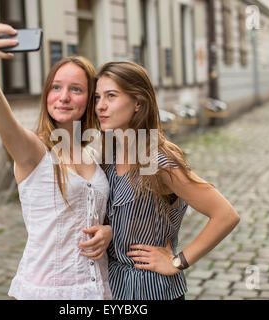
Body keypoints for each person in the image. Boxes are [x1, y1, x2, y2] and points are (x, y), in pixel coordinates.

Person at [0, 23, 113, 300]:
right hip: (46, 290)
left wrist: (108, 231)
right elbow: (3, 120)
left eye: (76, 89)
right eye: (56, 87)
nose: (63, 97)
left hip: (96, 289)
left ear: (89, 99)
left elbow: (95, 215)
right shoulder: (33, 150)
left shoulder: (92, 154)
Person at [94, 61, 240, 300]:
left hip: (152, 290)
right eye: (98, 97)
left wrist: (177, 261)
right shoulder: (109, 155)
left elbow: (225, 215)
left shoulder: (158, 161)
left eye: (111, 96)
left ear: (138, 103)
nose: (101, 105)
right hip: (113, 288)